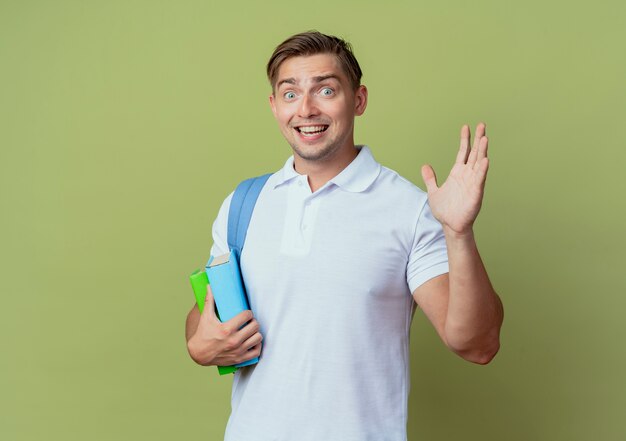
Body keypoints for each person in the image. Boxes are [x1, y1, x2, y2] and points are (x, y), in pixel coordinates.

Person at [185, 31, 504, 441]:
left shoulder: (409, 209)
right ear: (273, 106)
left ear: (358, 100)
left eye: (326, 90)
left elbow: (477, 344)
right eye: (290, 93)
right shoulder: (243, 203)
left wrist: (459, 233)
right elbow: (203, 316)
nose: (306, 108)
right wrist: (199, 344)